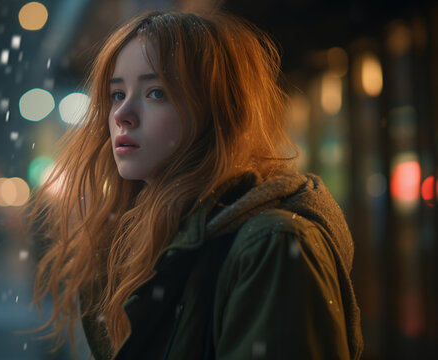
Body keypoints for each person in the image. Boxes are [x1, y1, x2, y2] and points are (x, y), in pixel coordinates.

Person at [28, 10, 363, 360]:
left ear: (218, 111)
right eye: (116, 94)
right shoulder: (141, 242)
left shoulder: (273, 246)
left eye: (156, 92)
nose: (122, 114)